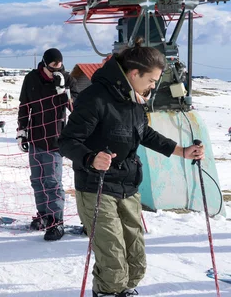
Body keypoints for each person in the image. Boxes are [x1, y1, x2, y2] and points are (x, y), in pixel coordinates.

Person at [58, 40, 205, 297]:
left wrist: (179, 150)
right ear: (134, 74)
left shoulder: (135, 99)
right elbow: (67, 142)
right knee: (113, 262)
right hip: (97, 187)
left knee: (135, 263)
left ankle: (122, 290)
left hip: (128, 185)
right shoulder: (96, 98)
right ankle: (105, 291)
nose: (153, 86)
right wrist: (91, 158)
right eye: (151, 80)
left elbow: (143, 132)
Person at [16, 47, 78, 241]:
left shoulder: (67, 79)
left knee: (52, 182)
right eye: (52, 67)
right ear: (44, 64)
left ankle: (56, 222)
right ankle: (43, 215)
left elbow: (75, 108)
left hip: (55, 140)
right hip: (35, 137)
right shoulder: (31, 79)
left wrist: (63, 91)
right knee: (37, 181)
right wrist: (22, 131)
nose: (55, 70)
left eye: (59, 66)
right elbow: (25, 105)